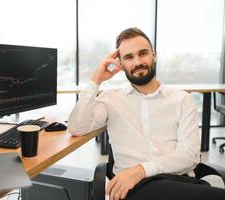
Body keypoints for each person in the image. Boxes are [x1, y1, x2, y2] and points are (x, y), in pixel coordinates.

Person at [68, 27, 225, 200]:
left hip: (179, 183)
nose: (137, 62)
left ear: (154, 55)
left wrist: (140, 171)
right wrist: (96, 79)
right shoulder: (110, 99)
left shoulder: (182, 99)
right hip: (132, 189)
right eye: (128, 57)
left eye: (143, 53)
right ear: (119, 63)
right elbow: (77, 127)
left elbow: (189, 155)